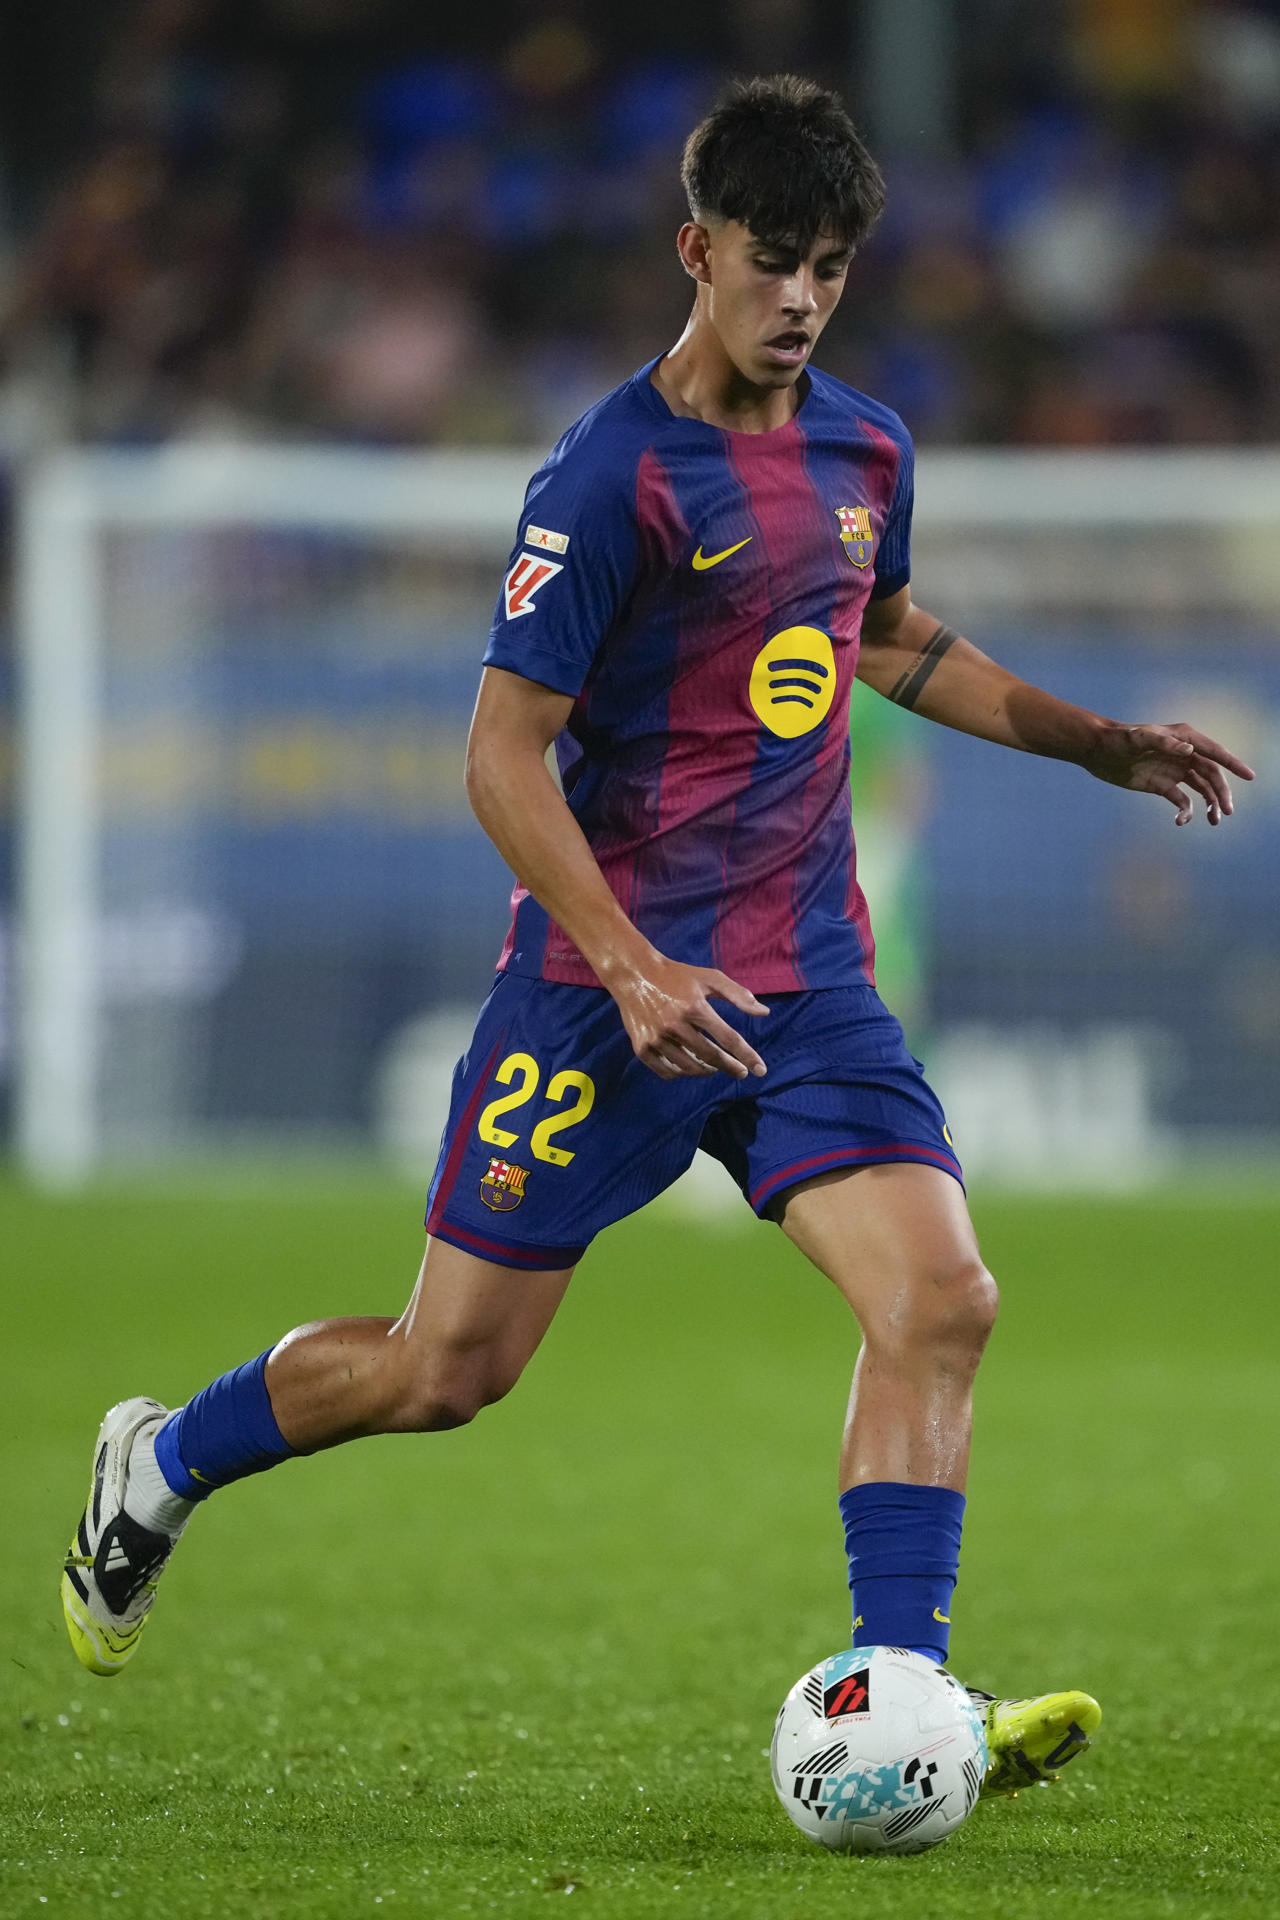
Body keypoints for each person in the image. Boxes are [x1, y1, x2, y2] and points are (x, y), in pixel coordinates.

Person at [62, 75, 1252, 1799]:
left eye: (834, 266)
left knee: (943, 1300)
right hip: (598, 993)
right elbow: (498, 753)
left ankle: (896, 1705)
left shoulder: (866, 450)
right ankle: (156, 1464)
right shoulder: (610, 474)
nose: (803, 297)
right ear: (696, 250)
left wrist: (1096, 740)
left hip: (805, 986)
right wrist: (626, 962)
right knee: (446, 1372)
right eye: (775, 260)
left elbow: (891, 636)